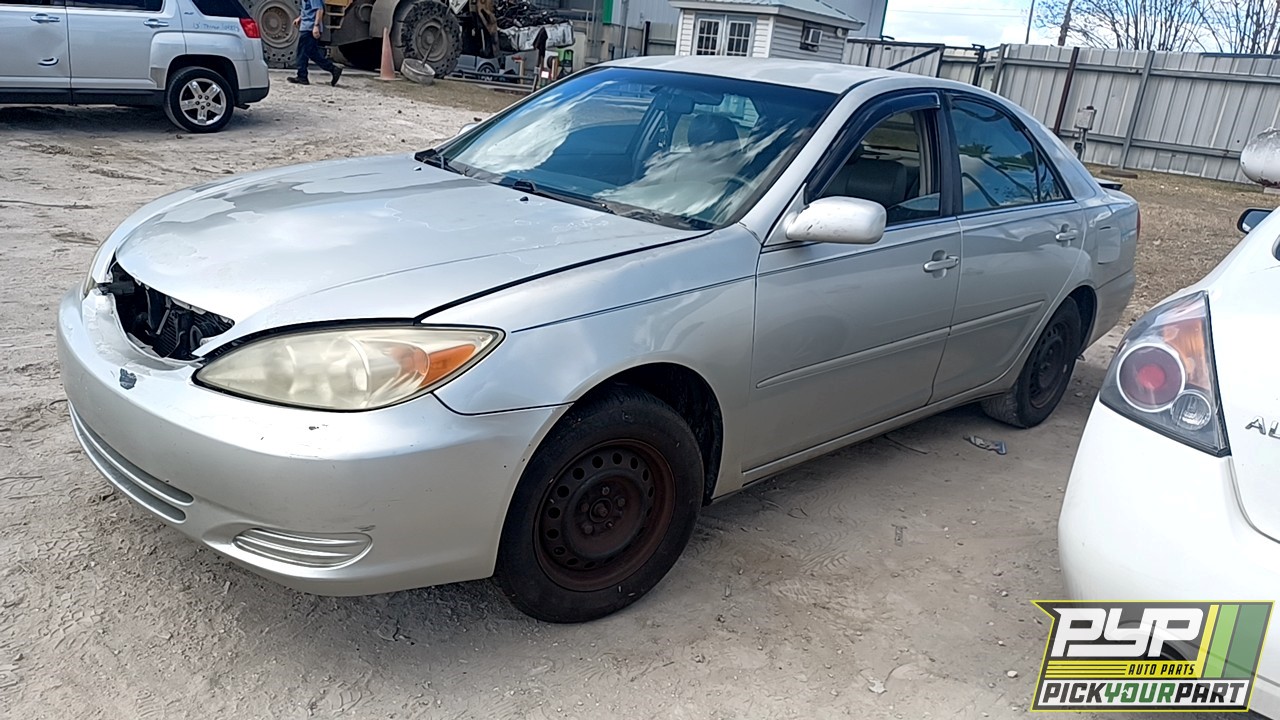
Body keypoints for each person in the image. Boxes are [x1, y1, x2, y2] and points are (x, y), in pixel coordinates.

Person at [288, 0, 342, 86]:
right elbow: (308, 9)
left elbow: (319, 9)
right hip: (306, 27)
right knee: (307, 53)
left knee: (306, 53)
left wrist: (316, 26)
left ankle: (332, 69)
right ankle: (303, 76)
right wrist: (300, 18)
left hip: (310, 28)